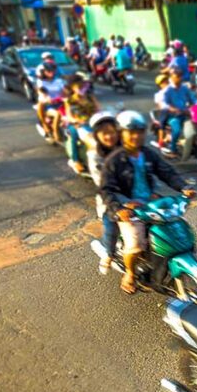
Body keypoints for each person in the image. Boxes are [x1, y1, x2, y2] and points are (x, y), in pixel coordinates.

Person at [99, 110, 195, 293]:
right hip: (128, 208)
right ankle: (130, 274)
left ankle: (163, 262)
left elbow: (166, 171)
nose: (136, 136)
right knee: (135, 245)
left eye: (140, 131)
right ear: (121, 133)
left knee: (177, 228)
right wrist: (119, 209)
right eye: (131, 131)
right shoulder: (114, 160)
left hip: (150, 204)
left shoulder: (148, 154)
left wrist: (183, 187)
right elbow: (107, 190)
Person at [87, 112, 122, 274]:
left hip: (136, 197)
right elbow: (102, 183)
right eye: (104, 133)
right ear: (97, 135)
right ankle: (109, 253)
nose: (110, 136)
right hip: (111, 199)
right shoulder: (94, 155)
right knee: (111, 223)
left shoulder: (127, 147)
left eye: (112, 131)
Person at [65, 73, 101, 174]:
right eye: (78, 86)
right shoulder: (70, 100)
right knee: (75, 136)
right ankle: (75, 160)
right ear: (72, 87)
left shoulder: (90, 97)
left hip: (93, 122)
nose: (81, 87)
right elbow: (69, 116)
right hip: (79, 125)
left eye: (82, 85)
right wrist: (77, 121)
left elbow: (98, 109)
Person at [161, 69, 197, 156]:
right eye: (177, 77)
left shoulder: (184, 88)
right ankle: (173, 148)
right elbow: (164, 104)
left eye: (180, 76)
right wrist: (173, 109)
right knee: (177, 130)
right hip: (173, 116)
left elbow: (193, 99)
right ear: (172, 77)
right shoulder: (168, 90)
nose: (179, 78)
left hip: (185, 114)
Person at [35, 62, 66, 142]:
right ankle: (55, 131)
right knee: (58, 114)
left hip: (61, 103)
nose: (51, 73)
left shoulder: (59, 81)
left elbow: (64, 91)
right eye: (48, 71)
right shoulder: (41, 82)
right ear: (44, 72)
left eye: (52, 71)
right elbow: (42, 92)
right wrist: (47, 98)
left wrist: (67, 95)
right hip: (48, 105)